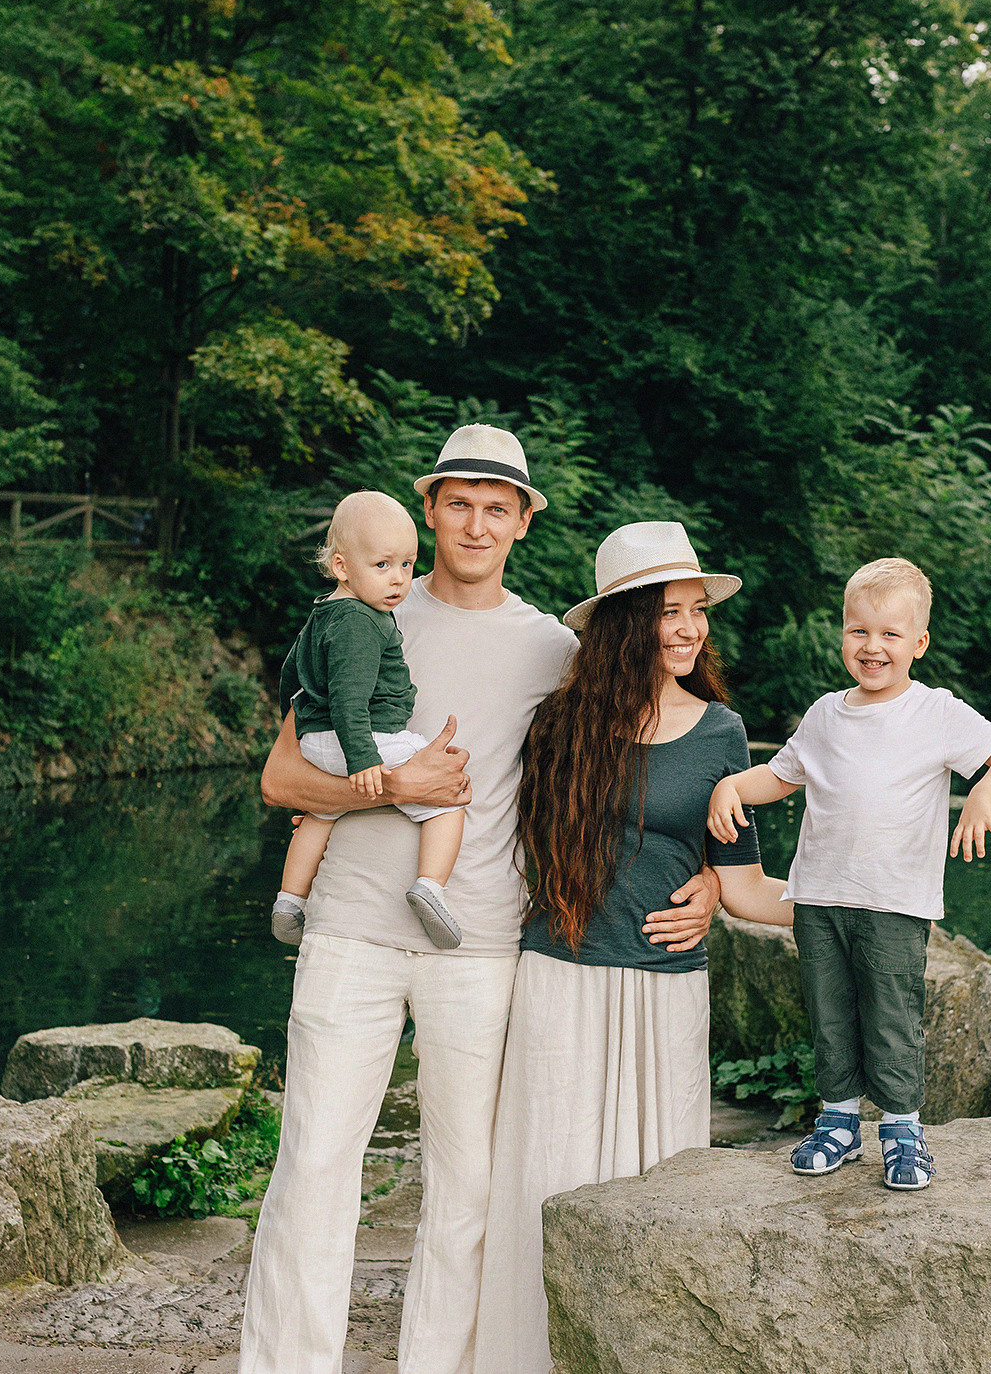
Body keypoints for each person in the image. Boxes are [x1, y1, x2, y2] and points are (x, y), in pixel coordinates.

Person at [239, 428, 720, 1374]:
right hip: (350, 934)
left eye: (497, 507)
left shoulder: (552, 649)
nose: (476, 523)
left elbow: (637, 765)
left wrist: (706, 872)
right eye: (458, 502)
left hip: (485, 946)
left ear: (524, 521)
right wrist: (390, 783)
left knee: (464, 1191)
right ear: (429, 510)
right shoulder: (364, 611)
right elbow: (283, 779)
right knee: (313, 1171)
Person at [475, 521, 795, 1374]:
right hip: (562, 977)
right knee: (549, 1178)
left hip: (666, 989)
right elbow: (488, 837)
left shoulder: (724, 733)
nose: (690, 628)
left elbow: (751, 881)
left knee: (662, 1187)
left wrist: (848, 900)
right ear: (624, 623)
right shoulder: (557, 725)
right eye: (670, 612)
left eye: (697, 611)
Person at [708, 556, 991, 1190]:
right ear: (843, 636)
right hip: (819, 899)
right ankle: (837, 1122)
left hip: (894, 902)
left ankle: (903, 1129)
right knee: (829, 1013)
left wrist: (986, 795)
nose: (873, 647)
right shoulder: (827, 714)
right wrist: (730, 787)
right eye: (860, 631)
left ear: (919, 643)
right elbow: (779, 775)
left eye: (890, 634)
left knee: (890, 1015)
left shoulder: (936, 712)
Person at [270, 489, 465, 950]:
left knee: (321, 813)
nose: (398, 580)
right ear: (342, 567)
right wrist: (363, 761)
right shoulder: (360, 622)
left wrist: (299, 729)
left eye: (406, 565)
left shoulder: (324, 613)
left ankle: (288, 902)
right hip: (361, 737)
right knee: (447, 794)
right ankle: (430, 888)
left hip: (318, 737)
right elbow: (350, 702)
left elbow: (289, 676)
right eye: (382, 566)